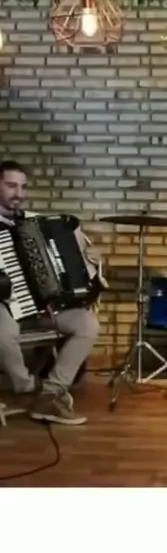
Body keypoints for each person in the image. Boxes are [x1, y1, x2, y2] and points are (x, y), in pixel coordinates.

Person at [0, 160, 104, 425]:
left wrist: (90, 260)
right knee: (3, 331)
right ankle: (26, 386)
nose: (18, 194)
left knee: (87, 325)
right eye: (11, 186)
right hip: (5, 308)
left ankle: (50, 393)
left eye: (23, 187)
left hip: (43, 309)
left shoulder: (38, 223)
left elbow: (69, 263)